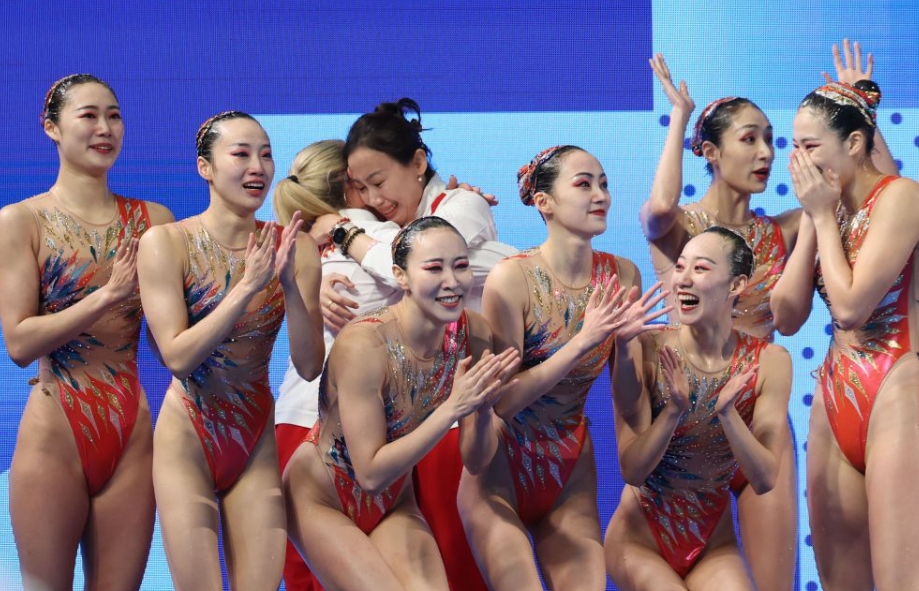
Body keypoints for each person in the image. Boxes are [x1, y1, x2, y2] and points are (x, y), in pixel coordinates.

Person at [307, 98, 516, 591]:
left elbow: (418, 259)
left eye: (378, 182)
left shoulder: (460, 210)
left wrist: (480, 408)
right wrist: (316, 272)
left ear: (418, 162)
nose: (372, 198)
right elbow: (395, 263)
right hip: (329, 489)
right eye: (360, 189)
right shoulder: (365, 339)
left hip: (397, 486)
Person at [457, 145, 669, 590]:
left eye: (604, 184)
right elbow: (503, 402)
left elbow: (628, 399)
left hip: (569, 470)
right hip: (499, 471)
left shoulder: (622, 275)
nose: (601, 195)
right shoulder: (511, 278)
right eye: (584, 184)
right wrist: (583, 341)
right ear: (544, 202)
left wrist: (625, 343)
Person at [137, 111, 324, 590]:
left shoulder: (297, 249)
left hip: (254, 439)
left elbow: (309, 366)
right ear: (205, 167)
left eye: (265, 155)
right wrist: (246, 288)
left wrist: (289, 285)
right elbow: (178, 357)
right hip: (188, 437)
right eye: (241, 154)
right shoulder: (166, 244)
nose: (257, 167)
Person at [0, 74, 173, 591]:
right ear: (51, 127)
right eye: (89, 115)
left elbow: (174, 340)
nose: (105, 128)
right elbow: (19, 343)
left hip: (132, 436)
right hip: (53, 435)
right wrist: (107, 294)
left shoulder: (154, 221)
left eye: (114, 116)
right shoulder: (21, 221)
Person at [283, 216, 520, 590]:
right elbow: (370, 474)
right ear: (401, 276)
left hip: (393, 501)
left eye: (460, 266)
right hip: (320, 496)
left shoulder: (473, 333)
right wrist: (453, 407)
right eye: (434, 268)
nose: (452, 281)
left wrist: (481, 408)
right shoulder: (364, 345)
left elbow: (476, 461)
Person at [640, 53, 802, 589]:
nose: (766, 153)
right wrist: (680, 118)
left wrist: (857, 109)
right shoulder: (681, 230)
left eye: (771, 140)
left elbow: (859, 194)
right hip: (689, 422)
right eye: (749, 139)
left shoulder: (783, 231)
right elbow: (658, 207)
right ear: (710, 152)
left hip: (759, 418)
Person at [771, 78, 919, 590]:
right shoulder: (824, 211)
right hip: (835, 394)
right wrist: (817, 221)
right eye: (795, 147)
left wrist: (820, 217)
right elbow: (786, 317)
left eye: (811, 146)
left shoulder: (901, 197)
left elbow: (852, 307)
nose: (799, 161)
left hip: (898, 387)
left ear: (854, 143)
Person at [606, 227, 792, 590]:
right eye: (680, 267)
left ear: (736, 285)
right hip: (639, 542)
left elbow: (765, 479)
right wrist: (673, 411)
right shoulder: (647, 347)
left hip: (712, 546)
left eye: (701, 268)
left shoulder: (769, 362)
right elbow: (633, 470)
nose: (683, 280)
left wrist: (729, 415)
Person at [273, 139, 403, 590]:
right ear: (353, 186)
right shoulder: (386, 238)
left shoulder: (294, 249)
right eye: (372, 181)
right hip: (358, 435)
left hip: (292, 424)